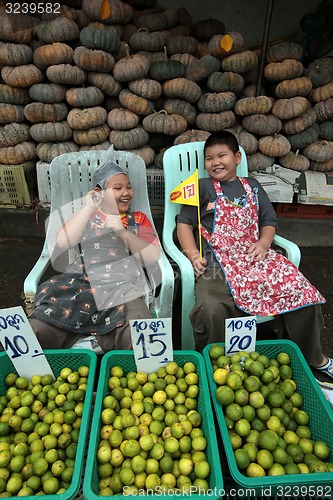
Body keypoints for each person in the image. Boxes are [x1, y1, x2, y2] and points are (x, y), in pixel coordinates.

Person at [177, 130, 333, 379]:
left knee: (301, 292)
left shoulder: (253, 186)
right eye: (209, 158)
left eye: (222, 155)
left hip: (256, 258)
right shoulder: (202, 187)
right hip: (220, 261)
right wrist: (193, 255)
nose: (215, 162)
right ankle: (214, 366)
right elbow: (184, 223)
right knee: (211, 307)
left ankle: (312, 358)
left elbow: (269, 220)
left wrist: (263, 243)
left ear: (237, 157)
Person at [29, 159, 160, 353]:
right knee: (37, 329)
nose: (126, 193)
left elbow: (151, 256)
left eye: (129, 187)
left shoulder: (138, 219)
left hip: (122, 286)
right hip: (80, 283)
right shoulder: (87, 216)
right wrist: (88, 207)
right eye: (118, 188)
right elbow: (63, 242)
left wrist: (124, 232)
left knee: (142, 335)